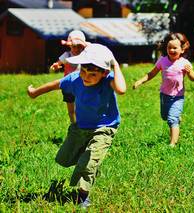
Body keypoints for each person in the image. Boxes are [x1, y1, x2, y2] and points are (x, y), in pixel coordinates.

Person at [27, 43, 126, 208]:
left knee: (88, 163)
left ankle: (83, 197)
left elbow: (121, 89)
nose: (86, 77)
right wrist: (35, 92)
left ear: (104, 73)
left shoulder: (108, 80)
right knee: (65, 159)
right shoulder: (75, 79)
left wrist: (114, 63)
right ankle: (90, 164)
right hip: (81, 127)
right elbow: (54, 85)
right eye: (83, 71)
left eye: (92, 74)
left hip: (105, 127)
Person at [133, 33, 194, 147]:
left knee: (172, 119)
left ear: (182, 50)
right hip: (164, 95)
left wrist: (190, 72)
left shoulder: (184, 62)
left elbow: (193, 78)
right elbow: (152, 73)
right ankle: (176, 117)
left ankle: (172, 144)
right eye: (169, 47)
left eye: (175, 48)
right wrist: (140, 81)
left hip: (178, 96)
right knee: (165, 117)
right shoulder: (162, 60)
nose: (171, 50)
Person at [50, 30, 88, 124]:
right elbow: (57, 64)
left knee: (82, 106)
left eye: (80, 46)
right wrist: (54, 67)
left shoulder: (85, 56)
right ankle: (74, 124)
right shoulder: (67, 55)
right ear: (69, 45)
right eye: (74, 46)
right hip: (68, 86)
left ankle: (83, 123)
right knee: (71, 108)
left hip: (82, 85)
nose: (76, 49)